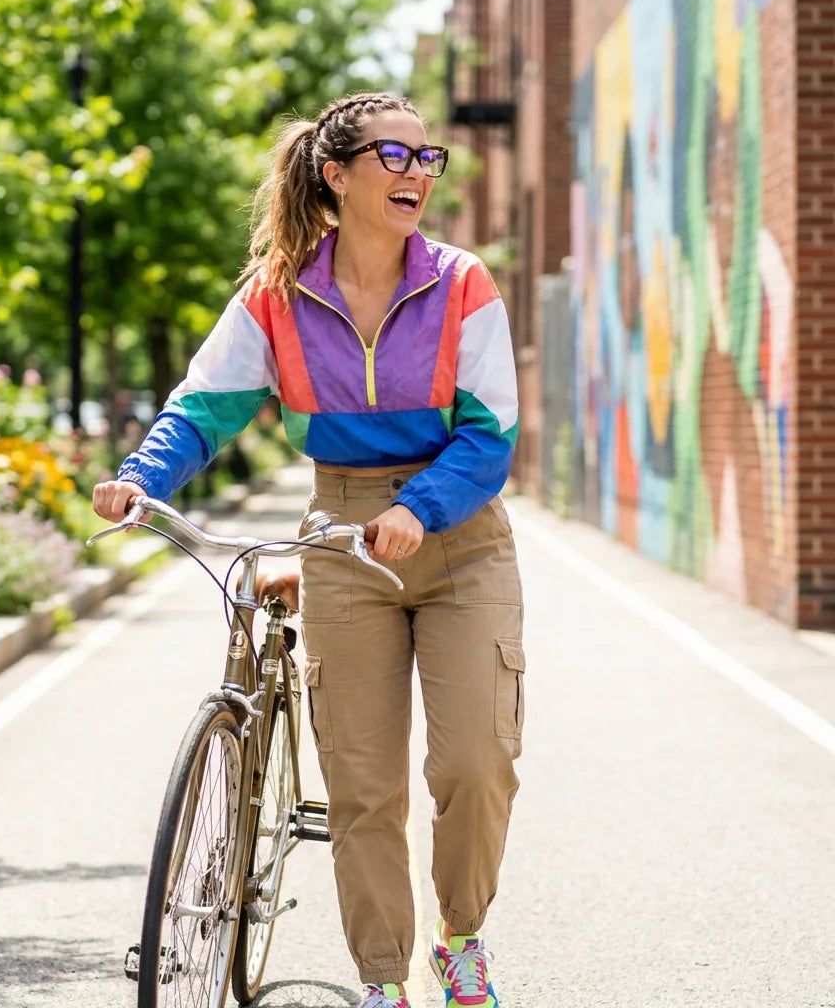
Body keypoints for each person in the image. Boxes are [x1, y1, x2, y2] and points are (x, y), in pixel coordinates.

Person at [93, 91, 525, 1008]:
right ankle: (380, 981)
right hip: (339, 530)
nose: (417, 174)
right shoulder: (278, 293)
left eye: (426, 158)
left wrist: (420, 505)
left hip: (458, 536)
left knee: (476, 762)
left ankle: (460, 936)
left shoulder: (462, 283)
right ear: (337, 173)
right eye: (394, 157)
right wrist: (142, 479)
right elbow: (204, 405)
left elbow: (490, 434)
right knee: (363, 783)